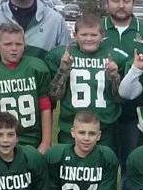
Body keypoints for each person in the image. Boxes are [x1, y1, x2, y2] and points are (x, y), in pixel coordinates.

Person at [101, 0, 143, 190]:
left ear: (133, 3)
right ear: (107, 3)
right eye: (116, 0)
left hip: (134, 111)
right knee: (104, 163)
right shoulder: (97, 29)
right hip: (102, 110)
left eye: (126, 1)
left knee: (131, 164)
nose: (121, 5)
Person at [46, 13, 129, 147]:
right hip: (71, 128)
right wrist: (63, 70)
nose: (89, 39)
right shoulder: (62, 55)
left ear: (102, 35)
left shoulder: (115, 57)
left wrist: (114, 76)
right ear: (75, 35)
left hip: (104, 128)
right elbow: (54, 96)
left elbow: (120, 99)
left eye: (93, 35)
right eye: (84, 35)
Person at [0, 22, 52, 153]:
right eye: (8, 44)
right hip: (1, 139)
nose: (14, 48)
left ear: (24, 45)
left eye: (18, 44)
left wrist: (45, 142)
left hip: (32, 138)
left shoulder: (37, 68)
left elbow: (45, 107)